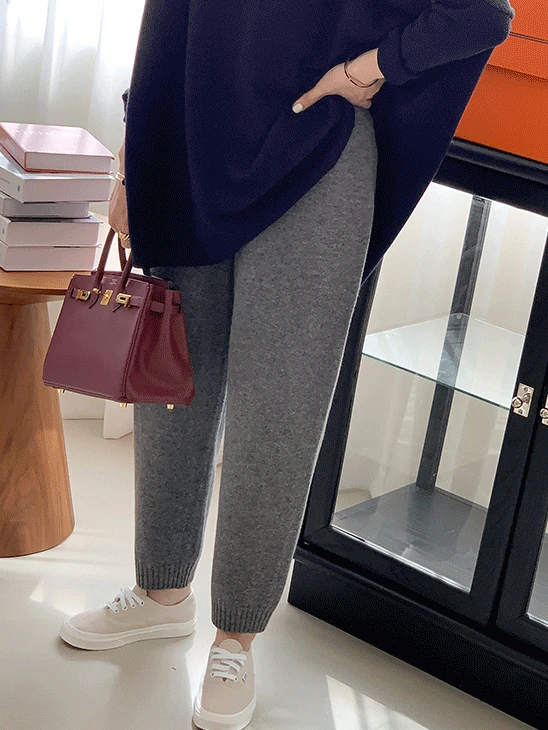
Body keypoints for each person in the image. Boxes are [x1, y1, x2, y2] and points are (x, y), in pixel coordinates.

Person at [59, 1, 514, 728]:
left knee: (280, 410)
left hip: (320, 153)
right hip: (189, 139)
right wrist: (128, 162)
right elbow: (165, 20)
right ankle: (160, 593)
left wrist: (369, 69)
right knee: (172, 384)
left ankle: (236, 638)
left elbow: (483, 14)